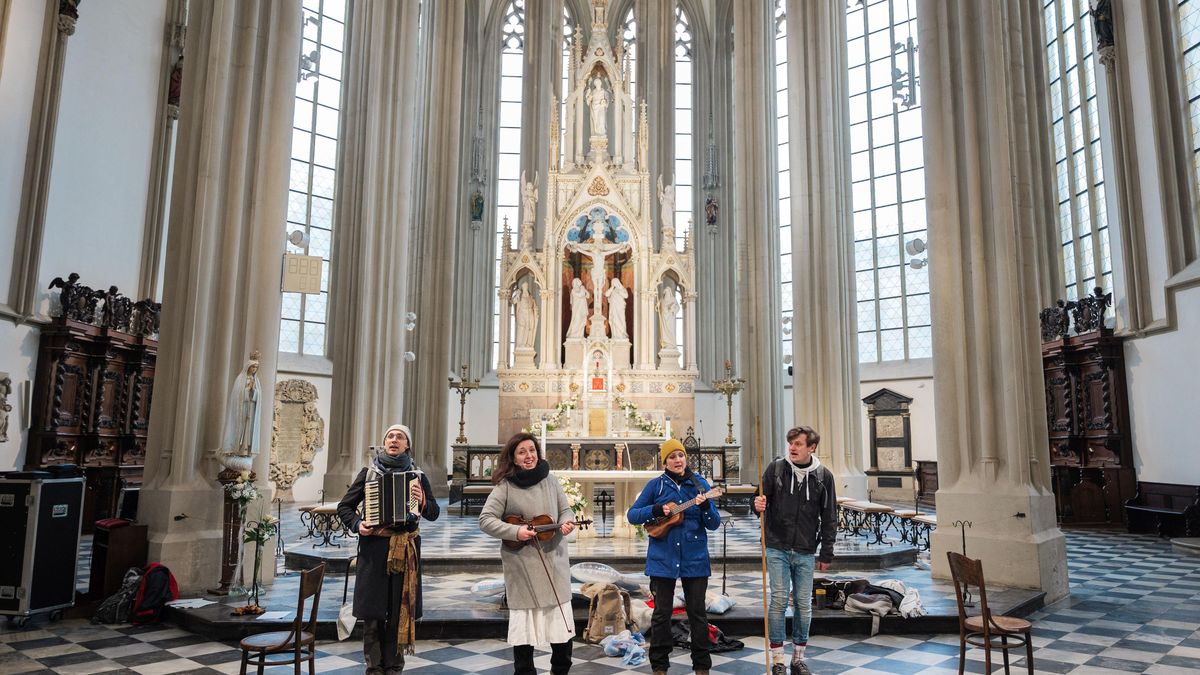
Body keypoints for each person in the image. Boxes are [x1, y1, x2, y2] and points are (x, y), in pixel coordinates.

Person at [338, 424, 440, 674]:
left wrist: (424, 500)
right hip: (374, 549)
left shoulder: (417, 475)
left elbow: (434, 513)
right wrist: (357, 524)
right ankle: (373, 667)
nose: (394, 440)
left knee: (399, 608)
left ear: (407, 445)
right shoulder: (368, 473)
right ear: (384, 443)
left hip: (405, 549)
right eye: (390, 436)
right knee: (373, 612)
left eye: (400, 437)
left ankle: (395, 666)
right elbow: (345, 508)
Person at [479, 433, 577, 674]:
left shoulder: (550, 480)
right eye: (522, 452)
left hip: (553, 563)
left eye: (532, 450)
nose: (529, 456)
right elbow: (485, 520)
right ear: (513, 457)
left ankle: (561, 669)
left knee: (560, 625)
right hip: (522, 567)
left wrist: (566, 522)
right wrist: (516, 531)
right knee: (524, 629)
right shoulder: (506, 485)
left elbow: (566, 510)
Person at [627, 439, 720, 675]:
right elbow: (633, 515)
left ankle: (701, 665)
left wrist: (706, 505)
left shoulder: (699, 484)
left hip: (695, 557)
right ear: (665, 461)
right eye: (672, 457)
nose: (678, 460)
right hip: (663, 557)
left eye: (681, 455)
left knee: (697, 614)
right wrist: (657, 510)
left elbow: (714, 524)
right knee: (661, 614)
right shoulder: (655, 486)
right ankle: (659, 665)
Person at [753, 426, 837, 675]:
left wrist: (827, 552)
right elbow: (757, 499)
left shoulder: (823, 476)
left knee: (803, 603)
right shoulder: (776, 468)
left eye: (799, 444)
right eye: (791, 443)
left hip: (805, 548)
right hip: (777, 544)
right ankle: (778, 659)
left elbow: (829, 516)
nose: (792, 447)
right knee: (779, 599)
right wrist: (756, 503)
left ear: (812, 447)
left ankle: (798, 658)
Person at [217, 351, 262, 472]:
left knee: (249, 431)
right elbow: (237, 397)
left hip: (251, 412)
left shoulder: (256, 381)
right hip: (241, 412)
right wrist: (247, 391)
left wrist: (254, 392)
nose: (254, 369)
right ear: (248, 366)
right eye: (253, 366)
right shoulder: (240, 379)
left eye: (256, 367)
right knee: (241, 430)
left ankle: (246, 451)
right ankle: (236, 449)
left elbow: (258, 397)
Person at [513, 279, 539, 349]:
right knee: (523, 328)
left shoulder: (530, 296)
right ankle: (522, 344)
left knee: (530, 327)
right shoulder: (520, 295)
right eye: (524, 286)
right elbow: (514, 301)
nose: (526, 287)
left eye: (527, 286)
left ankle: (528, 343)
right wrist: (516, 294)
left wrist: (536, 311)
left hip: (529, 313)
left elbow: (534, 306)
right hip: (522, 313)